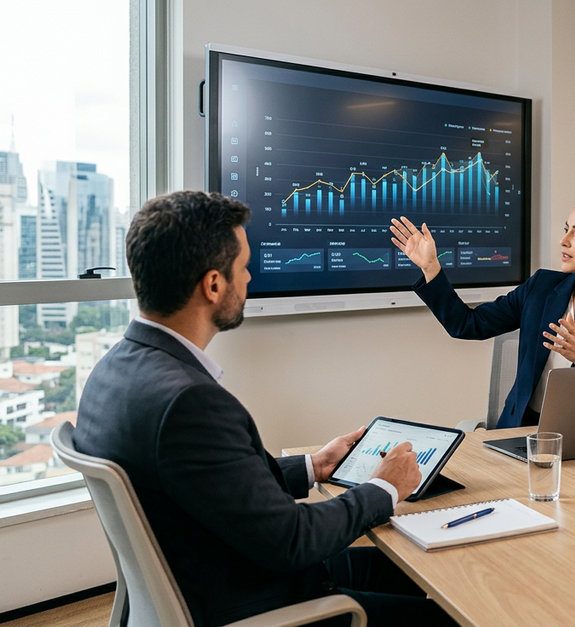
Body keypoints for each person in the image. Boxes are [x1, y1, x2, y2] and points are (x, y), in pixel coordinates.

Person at [74, 191, 455, 626]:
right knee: (450, 612)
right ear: (214, 285)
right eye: (244, 268)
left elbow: (214, 484)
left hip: (210, 575)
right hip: (253, 603)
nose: (250, 278)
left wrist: (313, 465)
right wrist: (384, 488)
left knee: (412, 569)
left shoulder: (113, 371)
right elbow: (292, 540)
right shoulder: (189, 402)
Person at [390, 193, 575, 428]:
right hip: (522, 430)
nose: (564, 241)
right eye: (566, 230)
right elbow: (466, 324)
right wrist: (430, 267)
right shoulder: (540, 288)